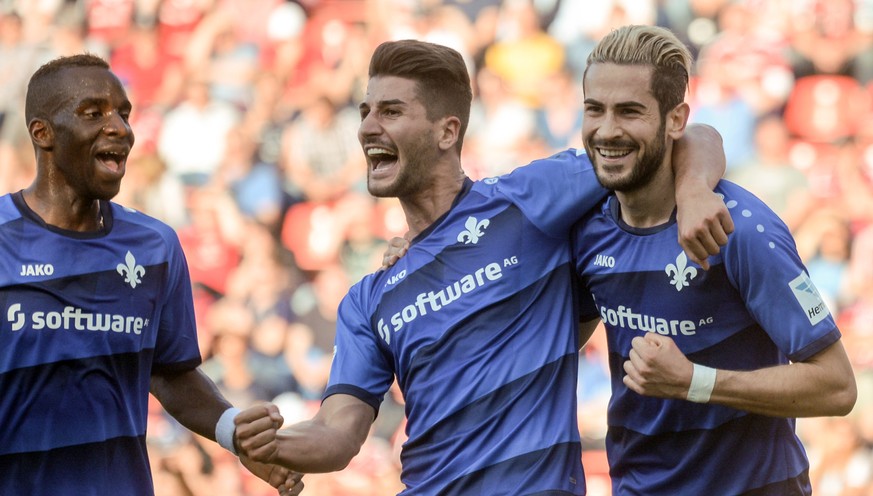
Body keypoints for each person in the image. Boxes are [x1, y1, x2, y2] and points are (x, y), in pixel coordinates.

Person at [234, 39, 731, 494]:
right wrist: (262, 443)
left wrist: (693, 192)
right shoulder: (369, 298)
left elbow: (690, 136)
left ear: (448, 130)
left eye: (390, 111)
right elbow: (336, 435)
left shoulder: (528, 201)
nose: (367, 127)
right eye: (365, 112)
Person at [571, 25, 857, 495]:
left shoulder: (741, 231)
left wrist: (694, 382)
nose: (607, 129)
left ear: (675, 119)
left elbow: (837, 386)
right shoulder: (585, 225)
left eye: (630, 111)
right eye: (594, 109)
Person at [0, 54, 302, 496]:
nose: (119, 128)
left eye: (123, 114)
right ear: (42, 133)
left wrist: (231, 431)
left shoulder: (155, 246)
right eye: (93, 114)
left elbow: (169, 372)